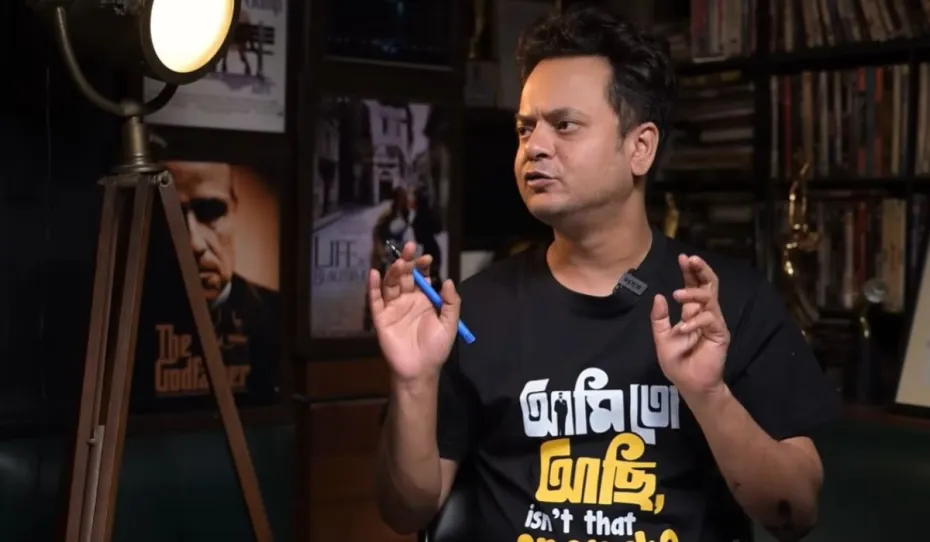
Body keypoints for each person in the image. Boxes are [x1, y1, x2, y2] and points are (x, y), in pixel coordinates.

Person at [370, 5, 840, 542]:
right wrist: (413, 382)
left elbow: (795, 512)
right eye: (525, 128)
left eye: (564, 125)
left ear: (640, 147)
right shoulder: (471, 313)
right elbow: (405, 513)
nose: (534, 147)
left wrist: (708, 394)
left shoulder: (729, 302)